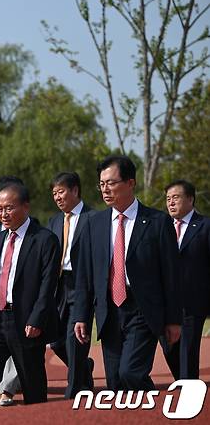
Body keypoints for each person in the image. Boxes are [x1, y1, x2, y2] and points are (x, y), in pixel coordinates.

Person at [74, 155, 181, 390]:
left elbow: (171, 275)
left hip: (143, 309)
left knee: (130, 372)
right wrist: (81, 315)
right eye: (102, 184)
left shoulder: (157, 222)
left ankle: (151, 404)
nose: (105, 189)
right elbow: (84, 275)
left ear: (130, 183)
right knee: (114, 382)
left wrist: (174, 319)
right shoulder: (94, 224)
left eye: (111, 183)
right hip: (108, 310)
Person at [0, 183, 60, 411]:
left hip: (26, 322)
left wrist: (36, 319)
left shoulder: (44, 240)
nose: (3, 213)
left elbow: (47, 285)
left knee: (32, 384)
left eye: (9, 208)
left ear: (26, 207)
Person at [46, 172, 95, 398]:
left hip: (82, 283)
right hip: (59, 285)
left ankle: (74, 391)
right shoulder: (55, 221)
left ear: (75, 190)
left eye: (61, 192)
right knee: (56, 341)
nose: (57, 197)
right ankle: (84, 368)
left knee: (74, 338)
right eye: (54, 193)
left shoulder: (93, 218)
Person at [159, 180, 209, 379]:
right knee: (169, 348)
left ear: (190, 199)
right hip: (165, 303)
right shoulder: (161, 227)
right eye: (168, 199)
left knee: (187, 350)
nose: (171, 203)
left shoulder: (205, 226)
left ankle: (189, 388)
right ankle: (183, 380)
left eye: (176, 198)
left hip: (192, 301)